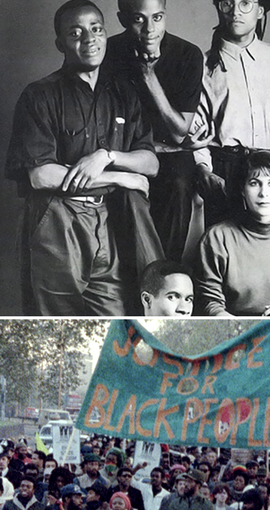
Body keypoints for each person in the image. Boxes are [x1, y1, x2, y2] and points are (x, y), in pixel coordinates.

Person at [5, 0, 162, 316]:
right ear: (60, 44)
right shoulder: (40, 95)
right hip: (58, 220)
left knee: (116, 323)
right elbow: (40, 176)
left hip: (108, 220)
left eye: (96, 29)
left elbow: (150, 163)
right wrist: (120, 176)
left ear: (105, 34)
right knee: (57, 326)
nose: (89, 40)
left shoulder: (123, 92)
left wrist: (105, 156)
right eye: (76, 33)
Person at [189, 0, 270, 229]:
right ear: (218, 7)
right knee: (230, 250)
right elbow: (197, 130)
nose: (236, 11)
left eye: (245, 3)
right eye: (227, 3)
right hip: (228, 170)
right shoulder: (203, 66)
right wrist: (204, 169)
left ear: (260, 10)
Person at [105, 0, 205, 264]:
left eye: (157, 18)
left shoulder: (188, 54)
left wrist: (149, 77)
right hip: (124, 152)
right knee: (124, 198)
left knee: (179, 184)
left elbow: (178, 133)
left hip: (171, 155)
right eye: (139, 19)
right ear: (123, 18)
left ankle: (163, 275)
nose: (150, 29)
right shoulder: (107, 51)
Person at [195, 150, 270, 316]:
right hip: (234, 330)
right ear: (242, 189)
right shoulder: (217, 238)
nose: (264, 193)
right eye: (254, 183)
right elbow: (210, 303)